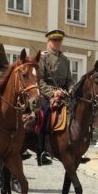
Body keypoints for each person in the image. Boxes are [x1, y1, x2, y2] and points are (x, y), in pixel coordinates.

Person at [36, 29, 74, 166]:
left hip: (64, 94)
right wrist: (53, 93)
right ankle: (41, 151)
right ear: (49, 42)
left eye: (59, 40)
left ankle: (76, 147)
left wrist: (70, 88)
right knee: (43, 114)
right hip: (47, 94)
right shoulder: (42, 58)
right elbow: (39, 81)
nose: (57, 43)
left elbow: (69, 79)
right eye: (54, 40)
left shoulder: (65, 60)